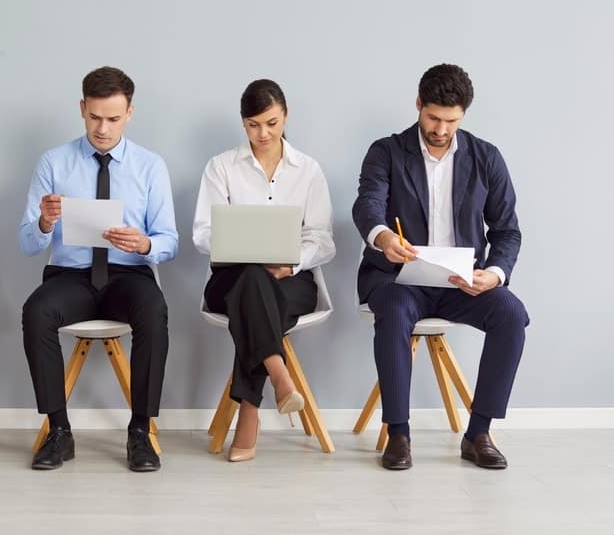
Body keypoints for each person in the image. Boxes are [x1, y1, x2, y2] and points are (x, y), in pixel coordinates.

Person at [353, 63, 529, 470]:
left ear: (463, 114)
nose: (441, 128)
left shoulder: (486, 157)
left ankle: (479, 432)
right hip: (398, 278)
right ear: (418, 104)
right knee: (395, 311)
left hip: (461, 282)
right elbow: (368, 204)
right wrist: (383, 237)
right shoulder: (387, 151)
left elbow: (508, 231)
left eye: (451, 120)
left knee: (511, 314)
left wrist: (495, 274)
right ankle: (398, 434)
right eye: (433, 117)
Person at [18, 66, 178, 472]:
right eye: (94, 117)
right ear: (81, 109)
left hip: (129, 275)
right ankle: (59, 431)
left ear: (129, 113)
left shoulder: (150, 166)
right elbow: (26, 243)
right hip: (71, 277)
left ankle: (140, 431)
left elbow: (169, 241)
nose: (102, 129)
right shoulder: (54, 162)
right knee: (36, 311)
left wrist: (145, 244)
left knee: (154, 311)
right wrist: (44, 222)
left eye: (112, 118)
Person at [193, 79, 335, 462]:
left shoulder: (308, 170)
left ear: (285, 116)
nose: (263, 133)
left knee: (255, 301)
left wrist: (292, 261)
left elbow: (323, 239)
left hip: (293, 280)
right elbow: (201, 233)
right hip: (231, 277)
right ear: (243, 123)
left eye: (271, 123)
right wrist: (240, 248)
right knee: (252, 280)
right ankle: (278, 371)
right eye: (254, 125)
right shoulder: (220, 167)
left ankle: (250, 413)